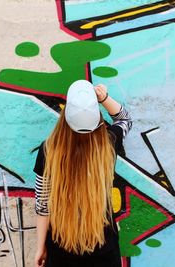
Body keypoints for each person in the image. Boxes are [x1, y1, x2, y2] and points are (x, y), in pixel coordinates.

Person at [34, 80, 132, 267]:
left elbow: (42, 205)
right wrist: (104, 98)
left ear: (65, 116)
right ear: (96, 117)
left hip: (60, 248)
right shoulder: (108, 144)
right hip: (104, 248)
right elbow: (125, 119)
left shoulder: (49, 150)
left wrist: (40, 247)